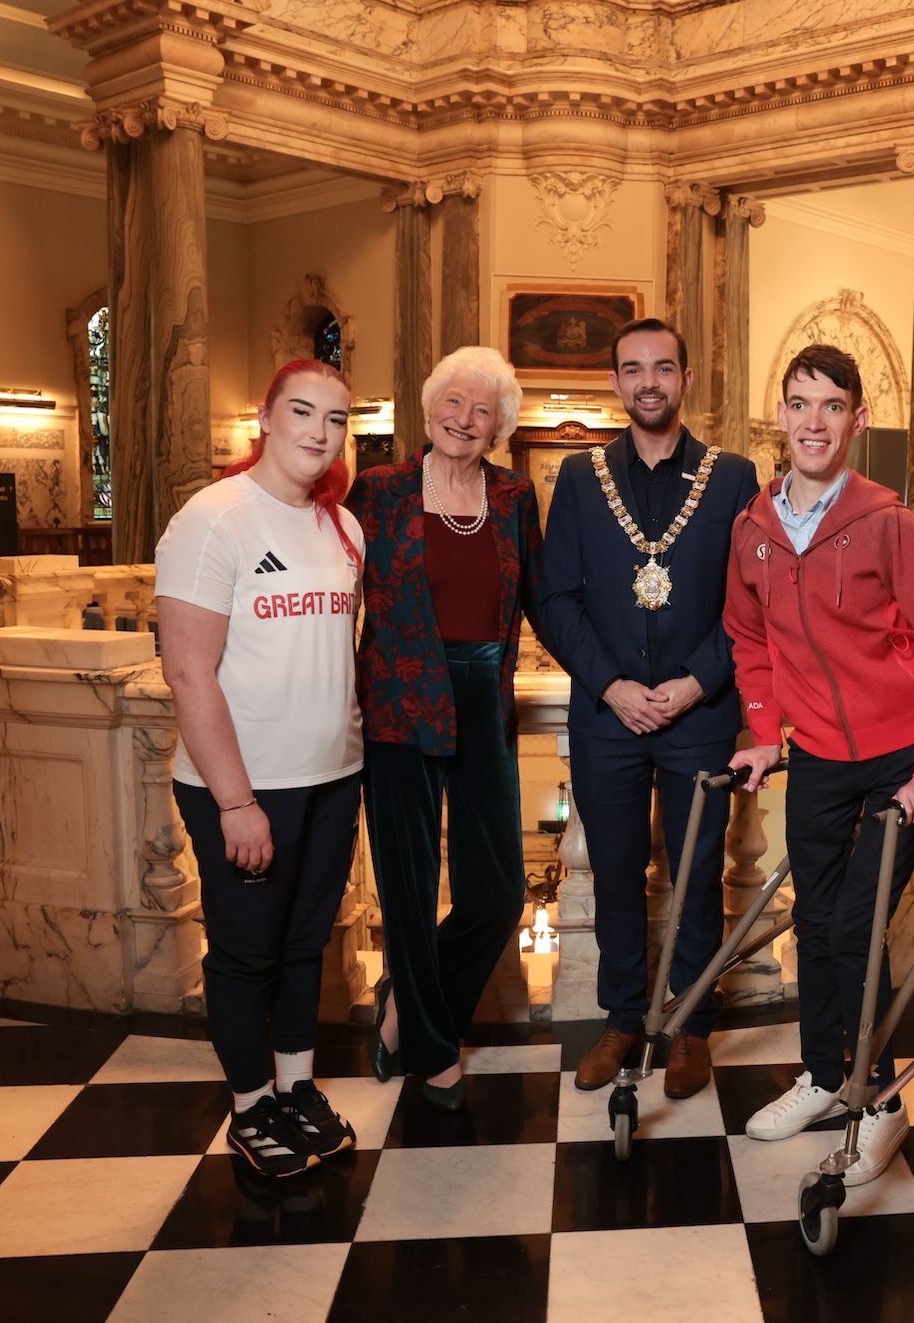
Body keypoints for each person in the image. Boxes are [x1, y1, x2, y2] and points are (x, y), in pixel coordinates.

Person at [724, 343, 914, 1186]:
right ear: (783, 416)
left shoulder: (885, 520)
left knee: (859, 929)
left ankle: (881, 1104)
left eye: (831, 406)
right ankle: (826, 1078)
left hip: (898, 761)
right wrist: (764, 730)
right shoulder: (754, 529)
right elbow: (748, 638)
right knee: (818, 923)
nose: (814, 421)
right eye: (800, 404)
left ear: (857, 420)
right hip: (819, 760)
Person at [541, 318, 760, 1098]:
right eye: (633, 369)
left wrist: (700, 681)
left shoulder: (733, 477)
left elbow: (752, 601)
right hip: (608, 717)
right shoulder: (578, 477)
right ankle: (623, 1017)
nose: (649, 382)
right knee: (615, 873)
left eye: (664, 367)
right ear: (615, 384)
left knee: (699, 873)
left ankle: (694, 1023)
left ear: (687, 379)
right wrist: (611, 685)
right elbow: (555, 598)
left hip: (700, 712)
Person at [158, 359, 364, 1178]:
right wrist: (236, 800)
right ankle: (250, 1108)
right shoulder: (214, 519)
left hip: (331, 774)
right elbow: (187, 671)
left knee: (304, 944)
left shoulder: (339, 525)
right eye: (303, 412)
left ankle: (295, 1087)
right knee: (246, 952)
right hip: (243, 786)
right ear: (267, 418)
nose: (319, 432)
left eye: (337, 418)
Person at [349, 346, 544, 1111]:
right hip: (398, 697)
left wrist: (616, 671)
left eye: (484, 409)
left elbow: (541, 595)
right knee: (407, 887)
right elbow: (339, 595)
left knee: (498, 892)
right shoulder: (380, 490)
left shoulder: (515, 494)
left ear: (500, 426)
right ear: (429, 409)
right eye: (454, 404)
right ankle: (433, 1046)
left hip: (484, 694)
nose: (466, 419)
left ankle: (404, 1007)